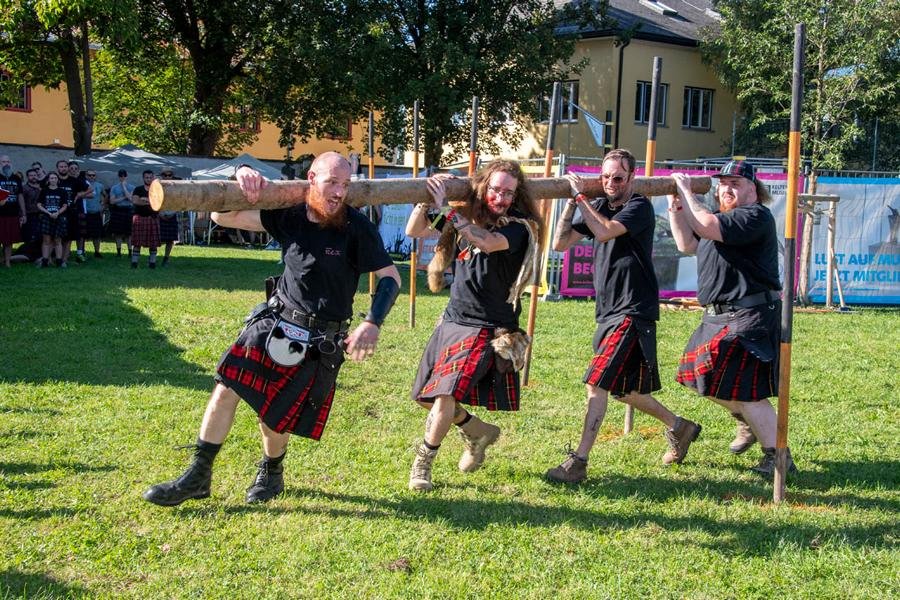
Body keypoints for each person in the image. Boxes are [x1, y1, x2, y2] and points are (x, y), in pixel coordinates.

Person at [142, 152, 401, 506]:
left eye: (345, 184)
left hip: (319, 339)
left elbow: (390, 277)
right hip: (274, 321)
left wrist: (372, 322)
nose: (340, 192)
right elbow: (222, 215)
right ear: (312, 179)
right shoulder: (289, 214)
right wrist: (241, 175)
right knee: (225, 388)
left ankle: (272, 470)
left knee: (274, 415)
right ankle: (198, 475)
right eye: (332, 182)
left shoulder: (356, 227)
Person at [544, 148, 701, 484]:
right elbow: (560, 243)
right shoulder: (599, 205)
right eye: (606, 177)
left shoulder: (638, 206)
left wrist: (581, 197)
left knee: (596, 383)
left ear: (631, 177)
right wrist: (571, 204)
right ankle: (679, 426)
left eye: (618, 178)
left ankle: (578, 462)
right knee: (623, 390)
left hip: (633, 308)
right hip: (608, 310)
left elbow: (604, 232)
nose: (611, 183)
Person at [404, 160, 542, 491]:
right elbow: (414, 230)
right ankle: (478, 430)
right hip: (453, 318)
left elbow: (487, 243)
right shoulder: (466, 219)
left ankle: (423, 463)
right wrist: (428, 197)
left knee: (444, 394)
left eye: (508, 192)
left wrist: (448, 211)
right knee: (423, 396)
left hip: (488, 325)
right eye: (496, 190)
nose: (501, 198)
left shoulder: (519, 227)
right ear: (483, 187)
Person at [667, 160, 795, 477]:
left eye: (735, 183)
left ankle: (778, 457)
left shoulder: (754, 216)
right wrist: (677, 207)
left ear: (754, 189)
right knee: (697, 376)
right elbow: (687, 243)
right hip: (719, 316)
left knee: (749, 392)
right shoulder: (720, 220)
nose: (726, 189)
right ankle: (747, 422)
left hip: (749, 315)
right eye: (723, 183)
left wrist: (686, 190)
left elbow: (706, 226)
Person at [36, 172, 68, 268]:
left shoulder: (62, 191)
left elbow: (65, 205)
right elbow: (39, 204)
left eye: (55, 178)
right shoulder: (44, 191)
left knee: (58, 240)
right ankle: (45, 261)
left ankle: (59, 261)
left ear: (58, 180)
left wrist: (57, 213)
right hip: (46, 217)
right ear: (48, 180)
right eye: (51, 178)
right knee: (46, 240)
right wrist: (48, 213)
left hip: (59, 217)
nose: (53, 180)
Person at [131, 170, 160, 268]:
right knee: (137, 242)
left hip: (152, 218)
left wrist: (144, 200)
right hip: (139, 217)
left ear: (153, 178)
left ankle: (152, 263)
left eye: (150, 177)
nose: (148, 179)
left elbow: (159, 203)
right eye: (146, 177)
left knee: (153, 243)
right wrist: (151, 202)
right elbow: (135, 201)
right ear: (143, 178)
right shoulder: (138, 189)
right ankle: (134, 263)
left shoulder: (158, 190)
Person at [0, 155, 25, 267]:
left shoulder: (16, 178)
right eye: (4, 162)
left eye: (8, 161)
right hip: (0, 214)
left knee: (9, 240)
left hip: (13, 214)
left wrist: (23, 213)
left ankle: (7, 262)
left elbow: (20, 196)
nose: (6, 164)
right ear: (0, 163)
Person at [79, 170, 105, 258]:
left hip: (96, 212)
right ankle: (82, 251)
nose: (91, 177)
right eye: (89, 175)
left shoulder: (100, 185)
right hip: (85, 212)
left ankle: (97, 252)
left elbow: (105, 195)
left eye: (93, 175)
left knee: (97, 234)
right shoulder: (82, 184)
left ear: (95, 176)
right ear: (86, 176)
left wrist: (103, 205)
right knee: (83, 234)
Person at [108, 169, 134, 256]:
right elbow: (112, 201)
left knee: (129, 234)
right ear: (118, 176)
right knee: (118, 233)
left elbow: (131, 199)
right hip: (118, 210)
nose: (122, 177)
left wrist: (123, 187)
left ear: (126, 176)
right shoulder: (114, 188)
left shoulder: (132, 187)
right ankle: (119, 252)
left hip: (128, 210)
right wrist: (124, 197)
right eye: (121, 176)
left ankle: (130, 252)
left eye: (124, 176)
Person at [157, 169, 180, 265]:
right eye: (165, 175)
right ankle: (153, 256)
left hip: (172, 215)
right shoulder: (157, 187)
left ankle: (166, 258)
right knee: (156, 238)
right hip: (160, 215)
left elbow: (179, 202)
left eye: (169, 175)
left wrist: (173, 213)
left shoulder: (176, 188)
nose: (167, 177)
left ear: (172, 176)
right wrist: (159, 213)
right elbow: (154, 200)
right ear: (161, 176)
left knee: (170, 240)